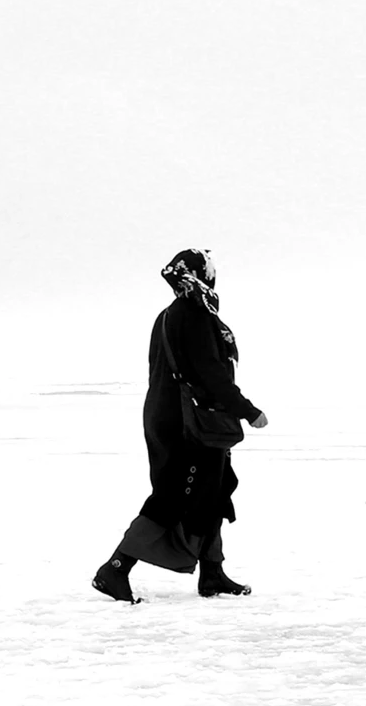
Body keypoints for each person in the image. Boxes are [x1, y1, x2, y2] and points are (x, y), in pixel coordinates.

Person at [93, 249, 268, 603]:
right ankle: (115, 568)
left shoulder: (169, 316)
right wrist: (246, 410)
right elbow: (210, 372)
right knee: (174, 496)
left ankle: (213, 572)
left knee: (216, 490)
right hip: (189, 423)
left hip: (174, 416)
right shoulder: (194, 314)